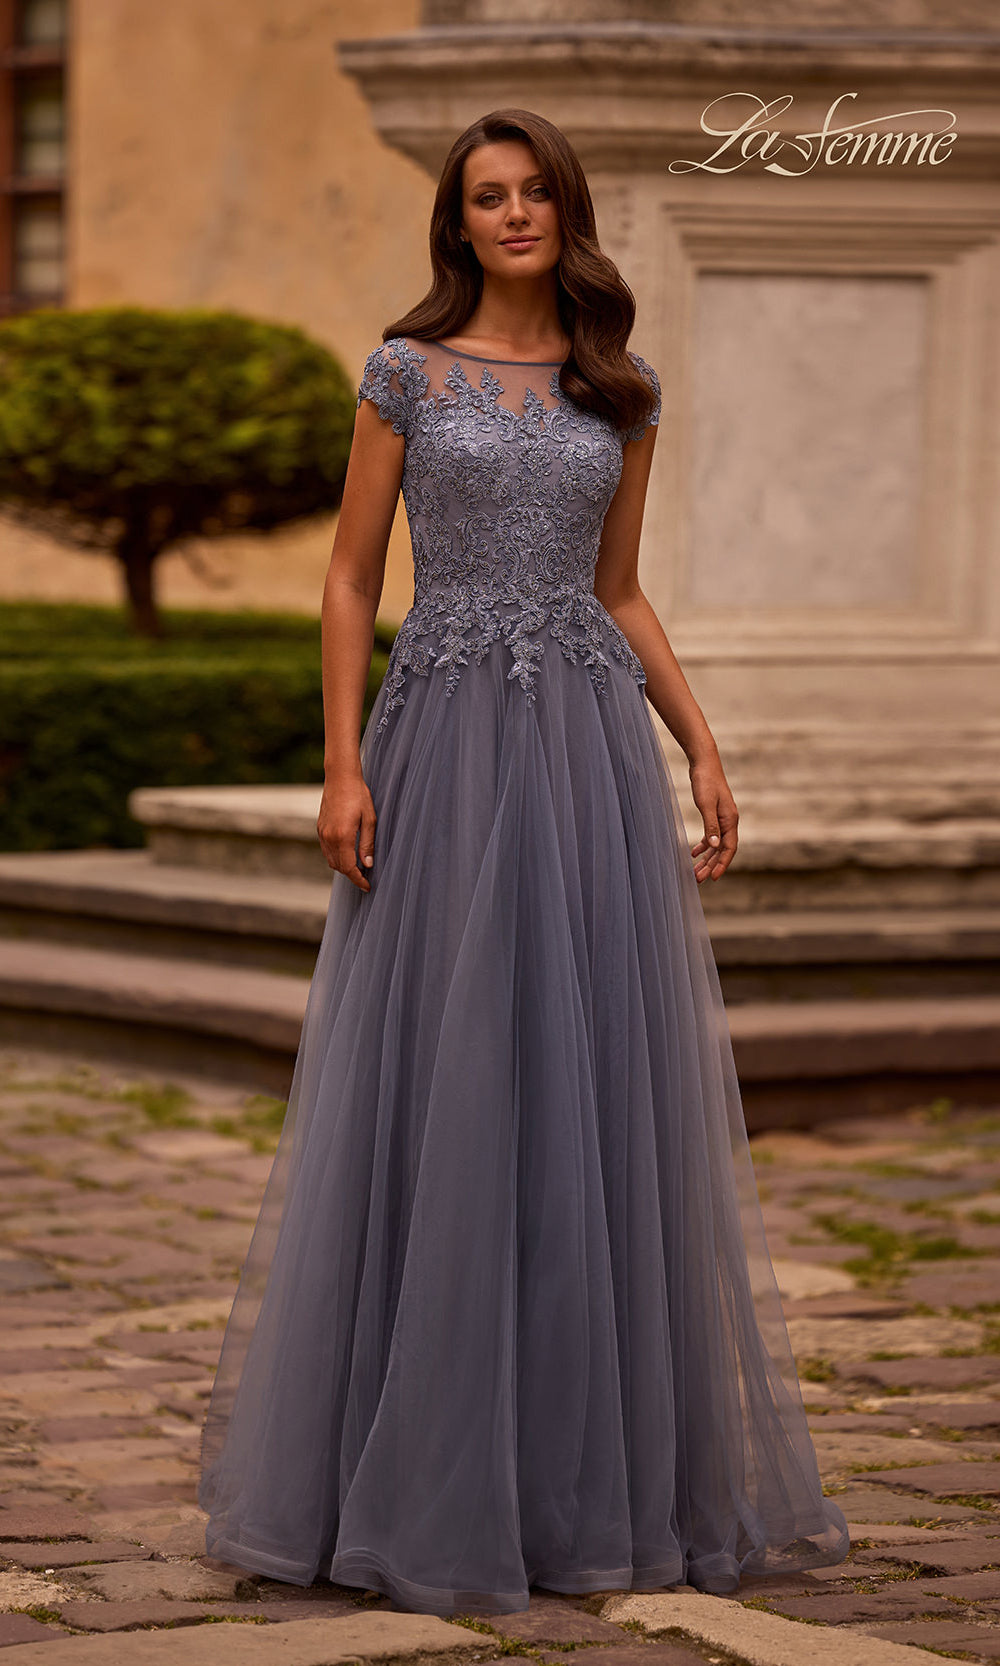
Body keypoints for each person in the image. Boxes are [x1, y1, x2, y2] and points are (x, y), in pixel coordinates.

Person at [198, 106, 850, 1617]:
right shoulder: (404, 370)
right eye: (486, 195)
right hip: (441, 752)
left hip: (582, 759)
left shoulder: (616, 389)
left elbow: (620, 591)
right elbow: (353, 574)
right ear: (460, 218)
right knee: (444, 1082)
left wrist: (702, 740)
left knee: (585, 1100)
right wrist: (343, 760)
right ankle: (407, 1466)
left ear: (569, 207)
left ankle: (579, 1479)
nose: (512, 214)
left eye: (534, 191)